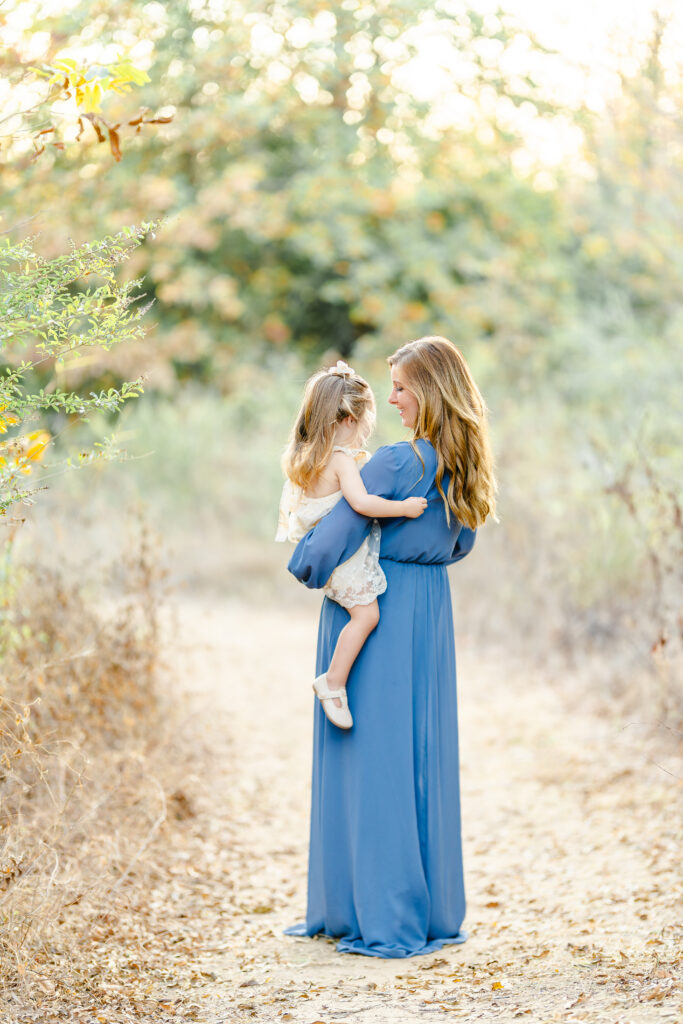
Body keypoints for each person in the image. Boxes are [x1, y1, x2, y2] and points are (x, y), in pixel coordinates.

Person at [284, 336, 497, 958]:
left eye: (402, 386)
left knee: (370, 761)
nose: (395, 399)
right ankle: (430, 912)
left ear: (429, 391)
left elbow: (323, 548)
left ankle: (371, 912)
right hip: (430, 610)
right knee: (421, 756)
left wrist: (304, 565)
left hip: (378, 606)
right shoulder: (463, 465)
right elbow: (461, 548)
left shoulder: (393, 465)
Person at [276, 360, 428, 729]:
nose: (365, 434)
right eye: (364, 425)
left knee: (361, 614)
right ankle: (333, 681)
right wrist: (404, 509)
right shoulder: (341, 460)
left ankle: (334, 680)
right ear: (346, 421)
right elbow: (361, 504)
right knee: (367, 615)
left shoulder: (311, 456)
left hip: (328, 552)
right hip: (343, 560)